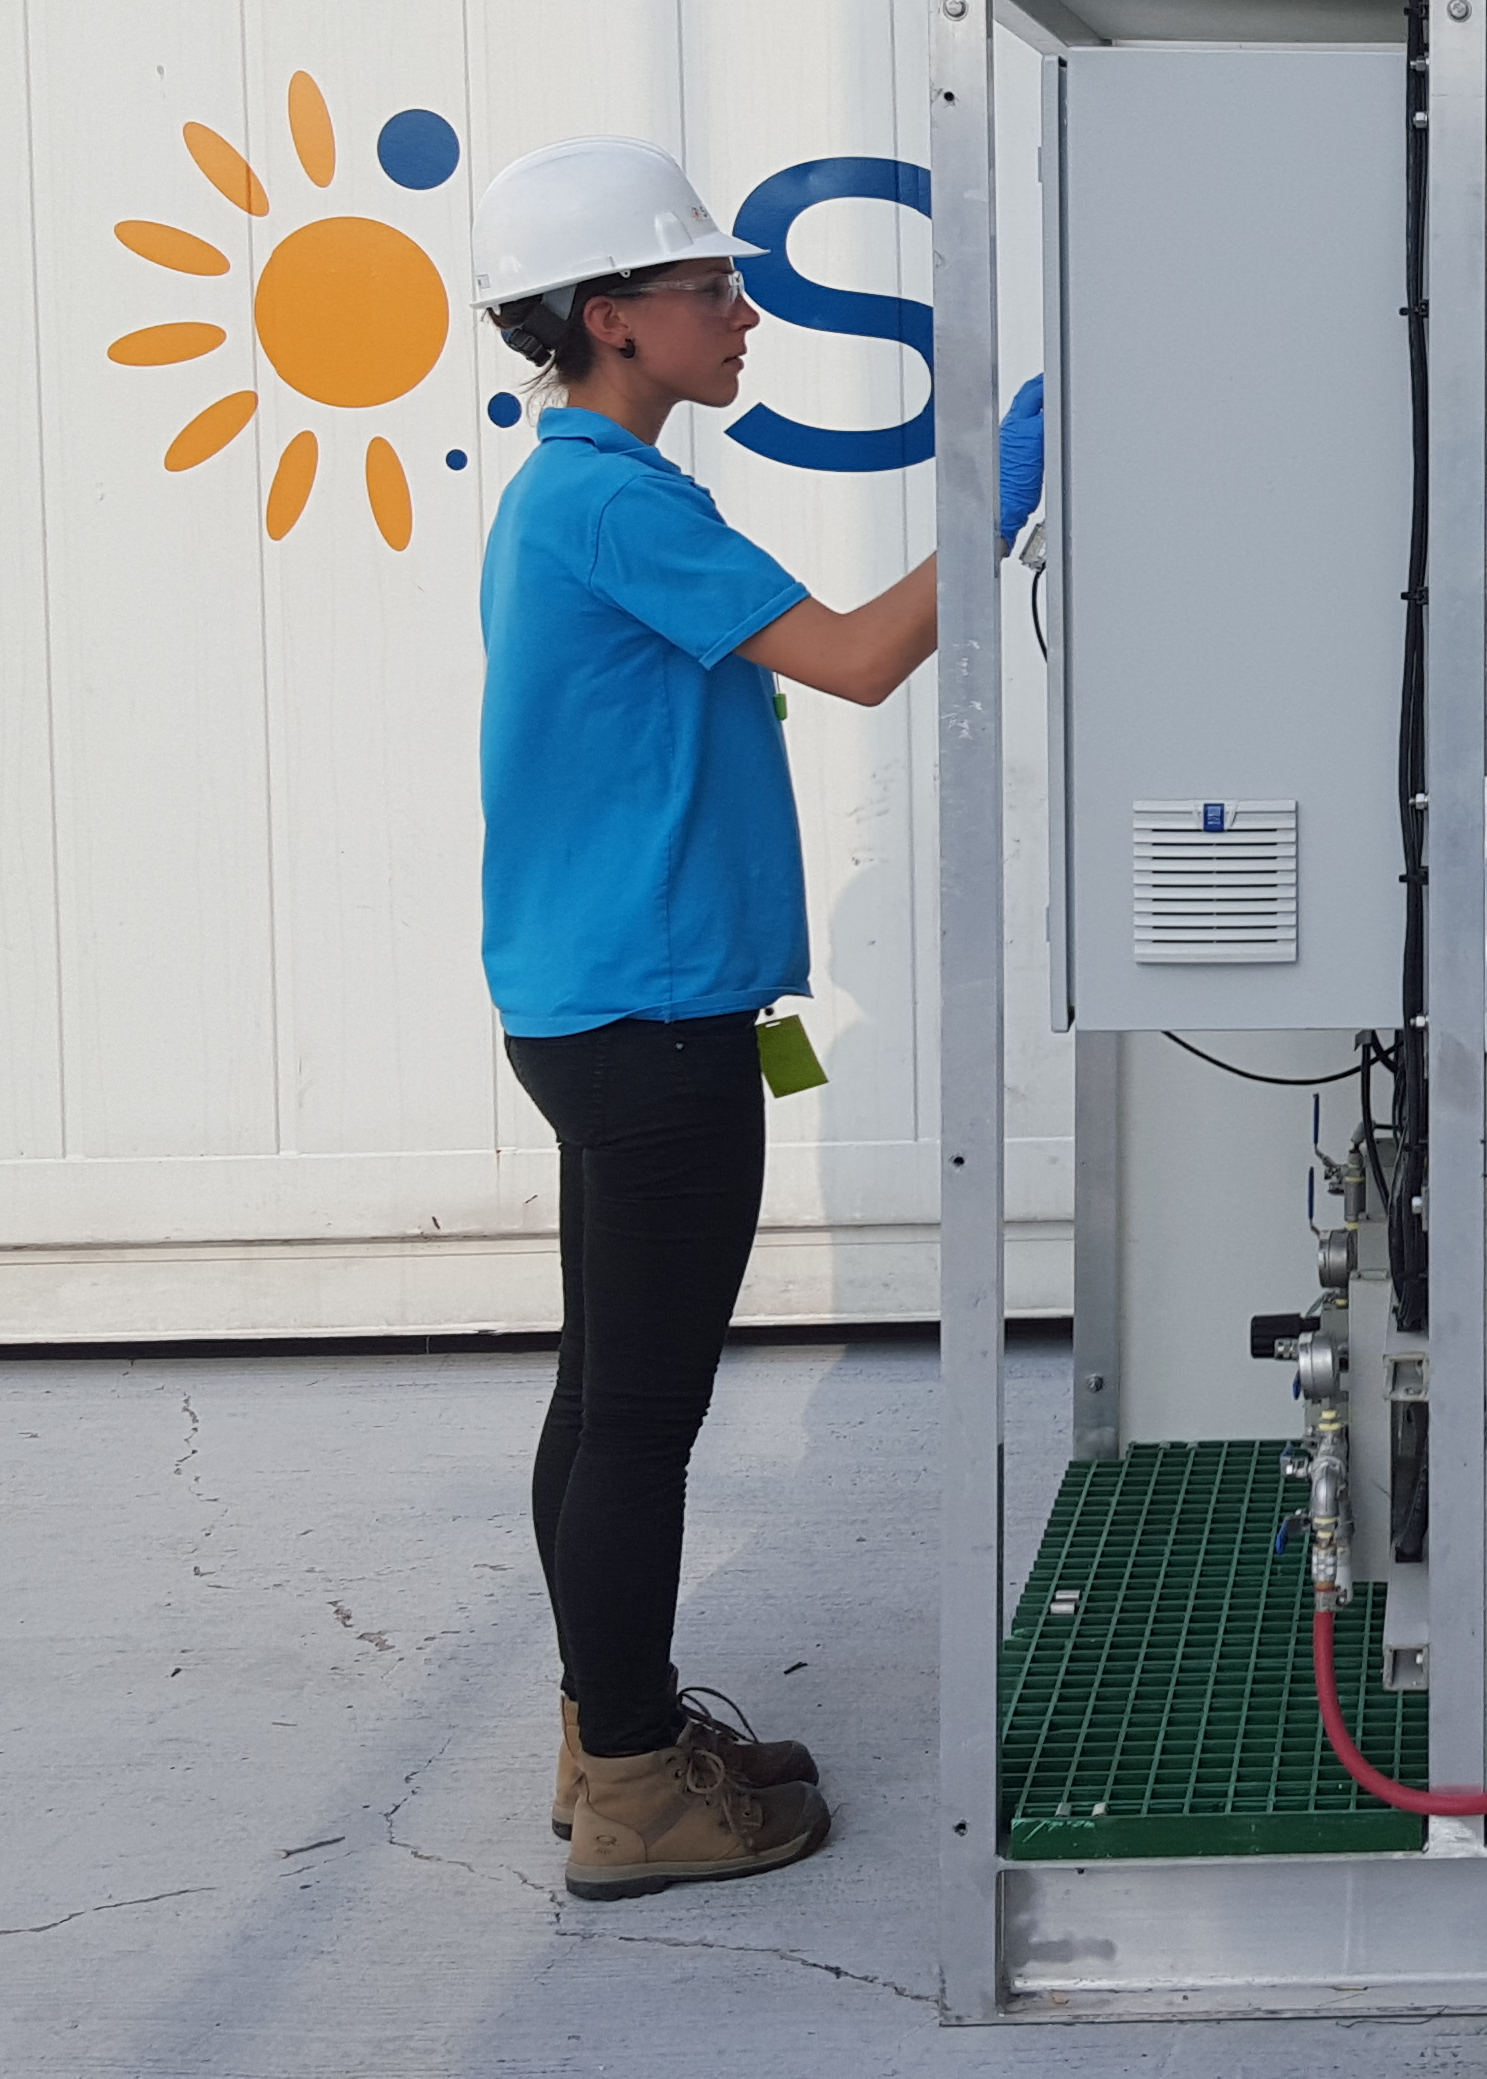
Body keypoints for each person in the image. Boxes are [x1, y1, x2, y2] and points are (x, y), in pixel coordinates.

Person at [459, 135, 1033, 1905]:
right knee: (639, 1416)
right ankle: (635, 1788)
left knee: (599, 1399)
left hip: (594, 1010)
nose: (744, 304)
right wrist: (1001, 493)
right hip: (655, 1031)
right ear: (611, 318)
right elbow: (860, 657)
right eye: (708, 283)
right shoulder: (614, 497)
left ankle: (606, 1728)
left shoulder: (575, 483)